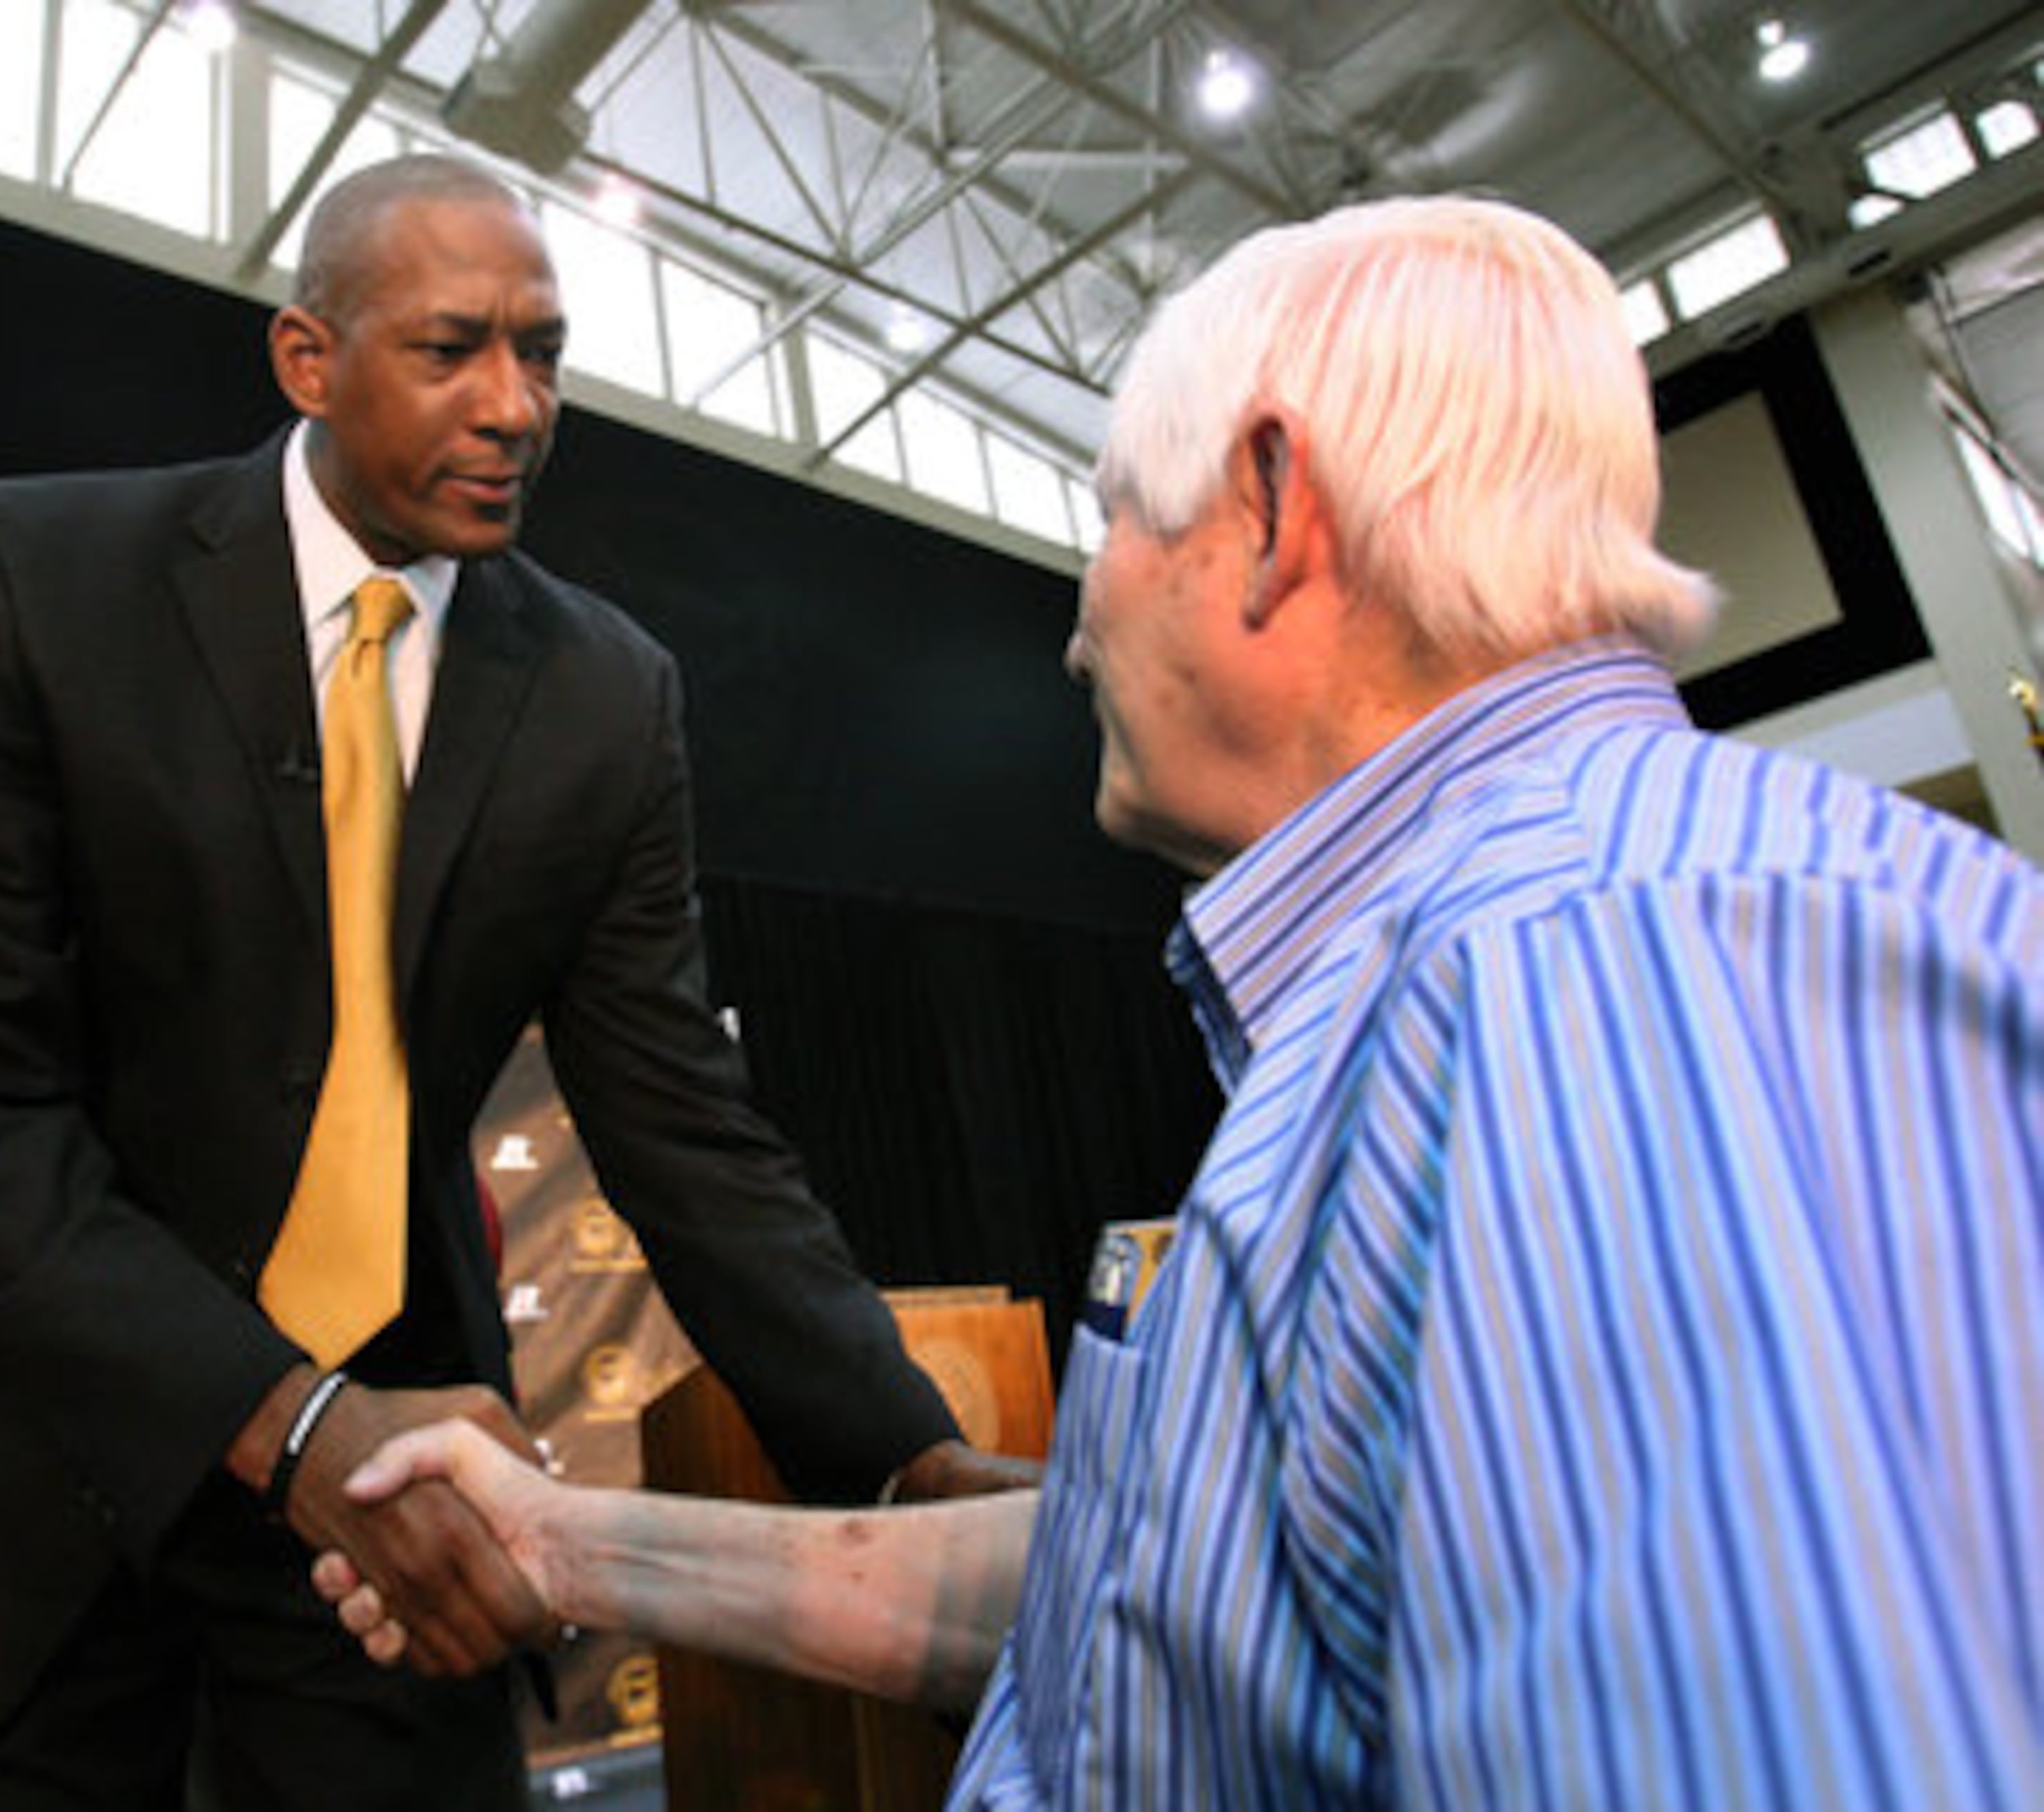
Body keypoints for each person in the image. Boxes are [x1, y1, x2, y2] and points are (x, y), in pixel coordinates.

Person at [323, 194, 2044, 1808]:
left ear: (1270, 509)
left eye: (1110, 520)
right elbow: (1174, 1591)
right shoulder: (1494, 968)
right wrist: (567, 1543)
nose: (1078, 627)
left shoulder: (1595, 976)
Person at [0, 152, 1016, 1811]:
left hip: (397, 1495)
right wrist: (287, 1422)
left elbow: (683, 1129)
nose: (516, 407)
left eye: (544, 352)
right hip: (36, 1468)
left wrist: (903, 1459)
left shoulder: (602, 696)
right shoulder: (39, 583)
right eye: (452, 348)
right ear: (306, 359)